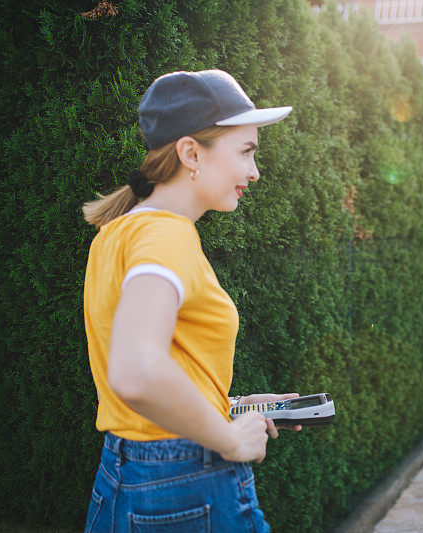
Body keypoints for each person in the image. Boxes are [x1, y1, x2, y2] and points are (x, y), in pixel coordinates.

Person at [82, 69, 299, 532]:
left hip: (125, 473)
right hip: (184, 481)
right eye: (245, 152)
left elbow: (154, 372)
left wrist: (225, 405)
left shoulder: (119, 232)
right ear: (190, 153)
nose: (254, 172)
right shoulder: (166, 236)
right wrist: (228, 439)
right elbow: (136, 370)